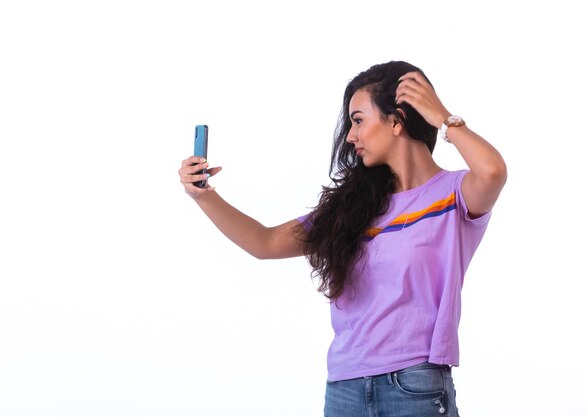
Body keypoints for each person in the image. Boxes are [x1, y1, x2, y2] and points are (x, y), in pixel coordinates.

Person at [178, 60, 507, 417]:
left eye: (359, 120)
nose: (351, 136)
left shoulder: (453, 194)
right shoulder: (352, 210)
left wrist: (443, 117)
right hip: (345, 389)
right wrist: (203, 195)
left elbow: (492, 170)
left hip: (414, 386)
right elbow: (265, 242)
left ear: (396, 121)